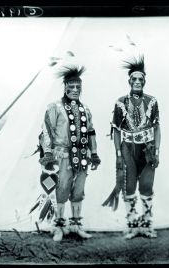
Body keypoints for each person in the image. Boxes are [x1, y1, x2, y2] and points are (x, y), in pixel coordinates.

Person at [39, 64, 101, 241]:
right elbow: (47, 131)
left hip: (82, 156)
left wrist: (94, 153)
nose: (75, 90)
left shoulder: (85, 109)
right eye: (71, 87)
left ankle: (75, 224)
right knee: (62, 188)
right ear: (65, 87)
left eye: (78, 87)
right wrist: (48, 154)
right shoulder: (55, 107)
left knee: (79, 190)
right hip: (62, 155)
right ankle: (58, 226)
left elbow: (91, 131)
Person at [104, 55, 161, 239]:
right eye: (134, 79)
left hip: (147, 149)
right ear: (129, 80)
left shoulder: (152, 101)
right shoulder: (120, 102)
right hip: (128, 148)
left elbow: (157, 127)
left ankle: (146, 224)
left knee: (146, 185)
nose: (137, 82)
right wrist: (119, 154)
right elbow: (117, 131)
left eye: (140, 79)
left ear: (144, 81)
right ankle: (131, 223)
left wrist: (157, 151)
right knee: (129, 186)